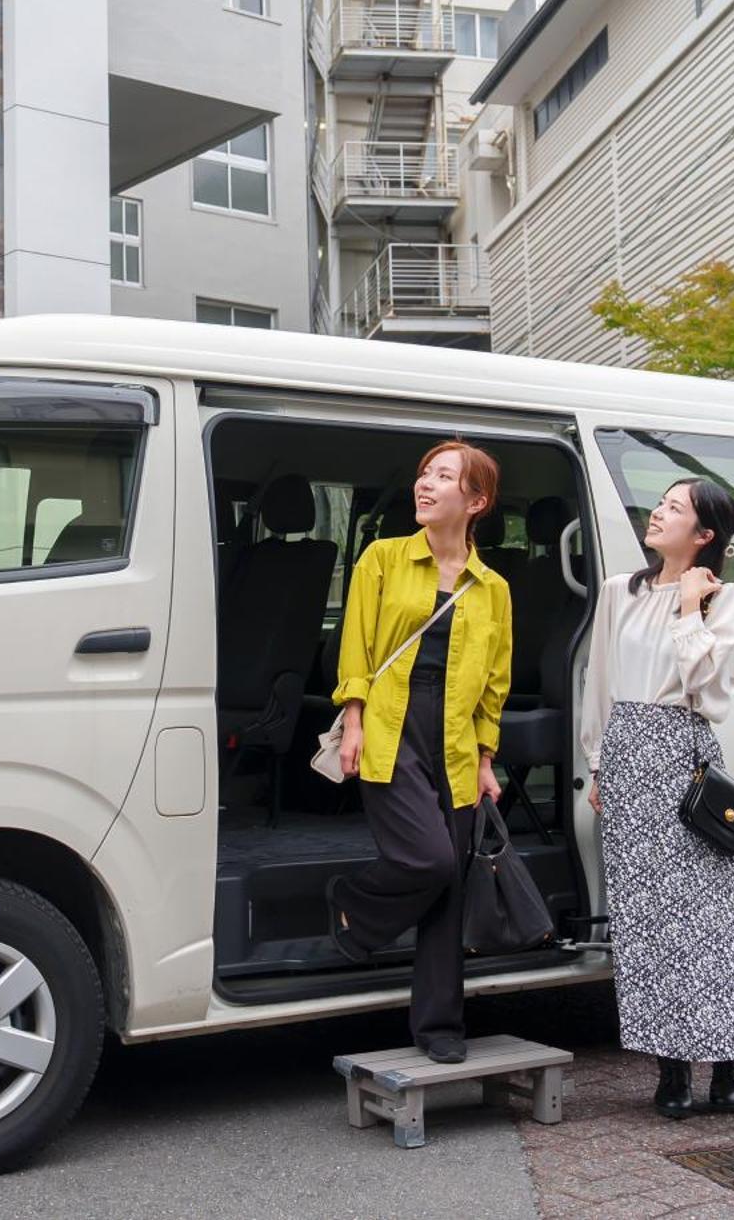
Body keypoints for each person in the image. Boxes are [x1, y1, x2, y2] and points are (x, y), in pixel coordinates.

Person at [579, 477, 734, 1117]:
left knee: (709, 921)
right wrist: (598, 762)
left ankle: (730, 1055)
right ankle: (670, 1068)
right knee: (647, 924)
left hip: (684, 756)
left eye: (675, 508)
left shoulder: (727, 595)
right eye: (660, 503)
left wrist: (691, 604)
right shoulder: (619, 592)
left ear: (705, 534)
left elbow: (703, 681)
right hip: (630, 754)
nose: (658, 513)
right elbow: (599, 682)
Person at [326, 441, 514, 1063]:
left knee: (450, 888)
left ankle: (440, 1028)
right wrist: (353, 721)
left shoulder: (494, 589)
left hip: (457, 739)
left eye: (443, 477)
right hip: (389, 726)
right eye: (424, 475)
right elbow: (356, 644)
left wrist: (486, 760)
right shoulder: (380, 559)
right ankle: (354, 907)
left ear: (476, 501)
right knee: (430, 862)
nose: (425, 485)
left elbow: (495, 686)